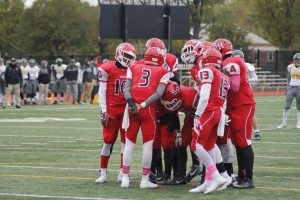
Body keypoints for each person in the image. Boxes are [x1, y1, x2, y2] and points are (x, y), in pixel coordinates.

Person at [121, 46, 171, 188]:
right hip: (147, 110)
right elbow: (159, 93)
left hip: (132, 109)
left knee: (129, 144)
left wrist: (132, 104)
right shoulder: (164, 71)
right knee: (147, 146)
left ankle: (125, 178)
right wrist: (142, 105)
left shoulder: (134, 66)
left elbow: (126, 88)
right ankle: (144, 180)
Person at [213, 38, 256, 189]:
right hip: (235, 106)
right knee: (238, 142)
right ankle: (242, 175)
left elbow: (235, 86)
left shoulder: (231, 62)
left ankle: (248, 178)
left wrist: (219, 78)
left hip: (242, 104)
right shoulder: (228, 62)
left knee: (243, 142)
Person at [188, 48, 230, 194]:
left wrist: (198, 115)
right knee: (209, 146)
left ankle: (216, 176)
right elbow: (224, 101)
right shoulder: (224, 76)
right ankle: (207, 182)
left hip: (209, 111)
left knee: (196, 145)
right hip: (218, 111)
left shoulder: (207, 71)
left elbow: (205, 96)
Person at [95, 42, 136, 183]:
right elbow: (102, 91)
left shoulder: (133, 69)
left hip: (126, 110)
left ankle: (122, 173)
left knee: (126, 143)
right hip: (112, 109)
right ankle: (102, 172)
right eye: (125, 55)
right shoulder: (107, 68)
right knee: (107, 141)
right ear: (118, 53)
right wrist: (104, 111)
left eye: (130, 57)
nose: (127, 59)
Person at [233, 50, 261, 139]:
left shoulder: (248, 66)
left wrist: (245, 80)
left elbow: (256, 79)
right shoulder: (230, 66)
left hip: (246, 91)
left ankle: (257, 131)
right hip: (234, 91)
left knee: (250, 112)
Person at [277, 52, 300, 129]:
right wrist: (287, 88)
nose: (298, 61)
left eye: (299, 60)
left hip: (299, 88)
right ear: (294, 60)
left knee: (299, 107)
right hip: (291, 88)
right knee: (286, 106)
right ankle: (284, 123)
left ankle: (298, 124)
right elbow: (289, 78)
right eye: (297, 59)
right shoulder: (290, 67)